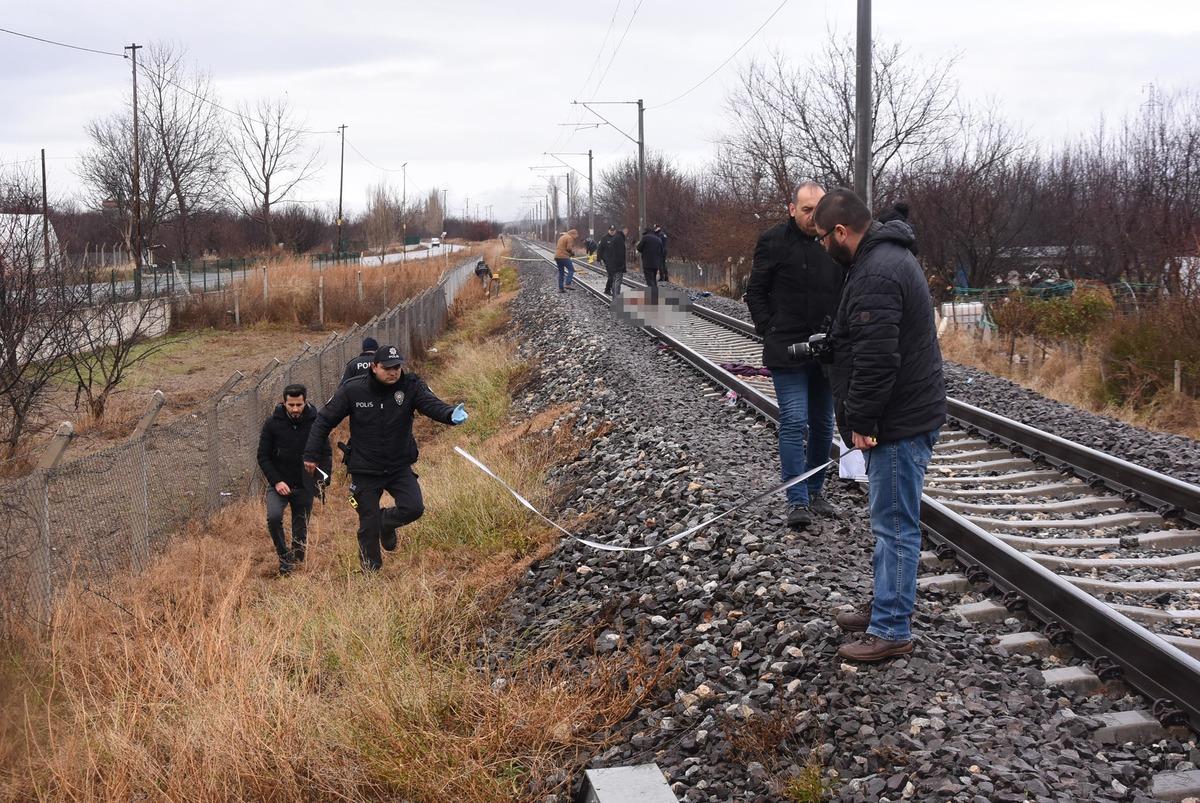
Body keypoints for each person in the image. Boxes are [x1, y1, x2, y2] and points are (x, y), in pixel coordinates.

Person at [813, 187, 946, 663]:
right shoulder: (881, 259)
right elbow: (866, 339)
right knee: (887, 521)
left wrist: (863, 420)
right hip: (906, 411)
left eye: (823, 237)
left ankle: (891, 628)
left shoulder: (876, 271)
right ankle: (884, 607)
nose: (822, 246)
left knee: (894, 526)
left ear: (842, 232)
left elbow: (877, 357)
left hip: (898, 420)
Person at [303, 345, 468, 572]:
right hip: (365, 467)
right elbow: (323, 420)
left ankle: (385, 523)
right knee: (367, 525)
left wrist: (450, 414)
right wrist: (311, 455)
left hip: (398, 465)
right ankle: (371, 572)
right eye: (387, 368)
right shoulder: (353, 390)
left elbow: (431, 404)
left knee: (414, 508)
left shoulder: (410, 386)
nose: (393, 372)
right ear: (374, 367)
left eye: (397, 367)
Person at [745, 182, 843, 530]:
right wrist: (768, 327)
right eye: (806, 210)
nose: (812, 216)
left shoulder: (835, 241)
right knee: (794, 420)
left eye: (818, 209)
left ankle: (816, 492)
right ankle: (796, 498)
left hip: (826, 350)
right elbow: (755, 290)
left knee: (822, 425)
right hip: (786, 349)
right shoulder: (773, 241)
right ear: (792, 209)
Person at [257, 384, 331, 575]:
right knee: (273, 518)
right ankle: (284, 557)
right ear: (284, 402)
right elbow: (263, 456)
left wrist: (321, 479)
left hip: (305, 483)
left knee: (300, 528)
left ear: (305, 402)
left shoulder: (316, 423)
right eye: (291, 405)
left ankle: (297, 561)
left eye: (299, 404)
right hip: (279, 483)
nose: (296, 409)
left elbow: (326, 453)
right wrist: (277, 481)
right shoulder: (272, 424)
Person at [636, 227, 664, 298]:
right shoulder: (658, 239)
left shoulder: (645, 238)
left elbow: (639, 248)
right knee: (654, 279)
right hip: (656, 263)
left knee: (649, 280)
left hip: (647, 262)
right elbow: (662, 251)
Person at [555, 228, 578, 293]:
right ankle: (567, 284)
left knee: (561, 272)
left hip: (557, 256)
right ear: (573, 234)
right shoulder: (569, 238)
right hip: (564, 256)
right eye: (576, 235)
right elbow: (568, 248)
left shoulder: (563, 237)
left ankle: (561, 288)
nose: (576, 237)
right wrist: (572, 253)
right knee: (571, 269)